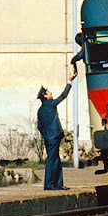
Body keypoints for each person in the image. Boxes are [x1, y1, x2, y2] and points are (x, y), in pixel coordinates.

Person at [36, 62, 78, 190]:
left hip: (49, 137)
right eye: (48, 92)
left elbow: (39, 126)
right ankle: (50, 184)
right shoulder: (50, 104)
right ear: (45, 96)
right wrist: (69, 81)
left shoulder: (40, 110)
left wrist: (46, 135)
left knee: (55, 160)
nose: (50, 92)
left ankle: (58, 184)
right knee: (52, 161)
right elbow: (63, 96)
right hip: (53, 137)